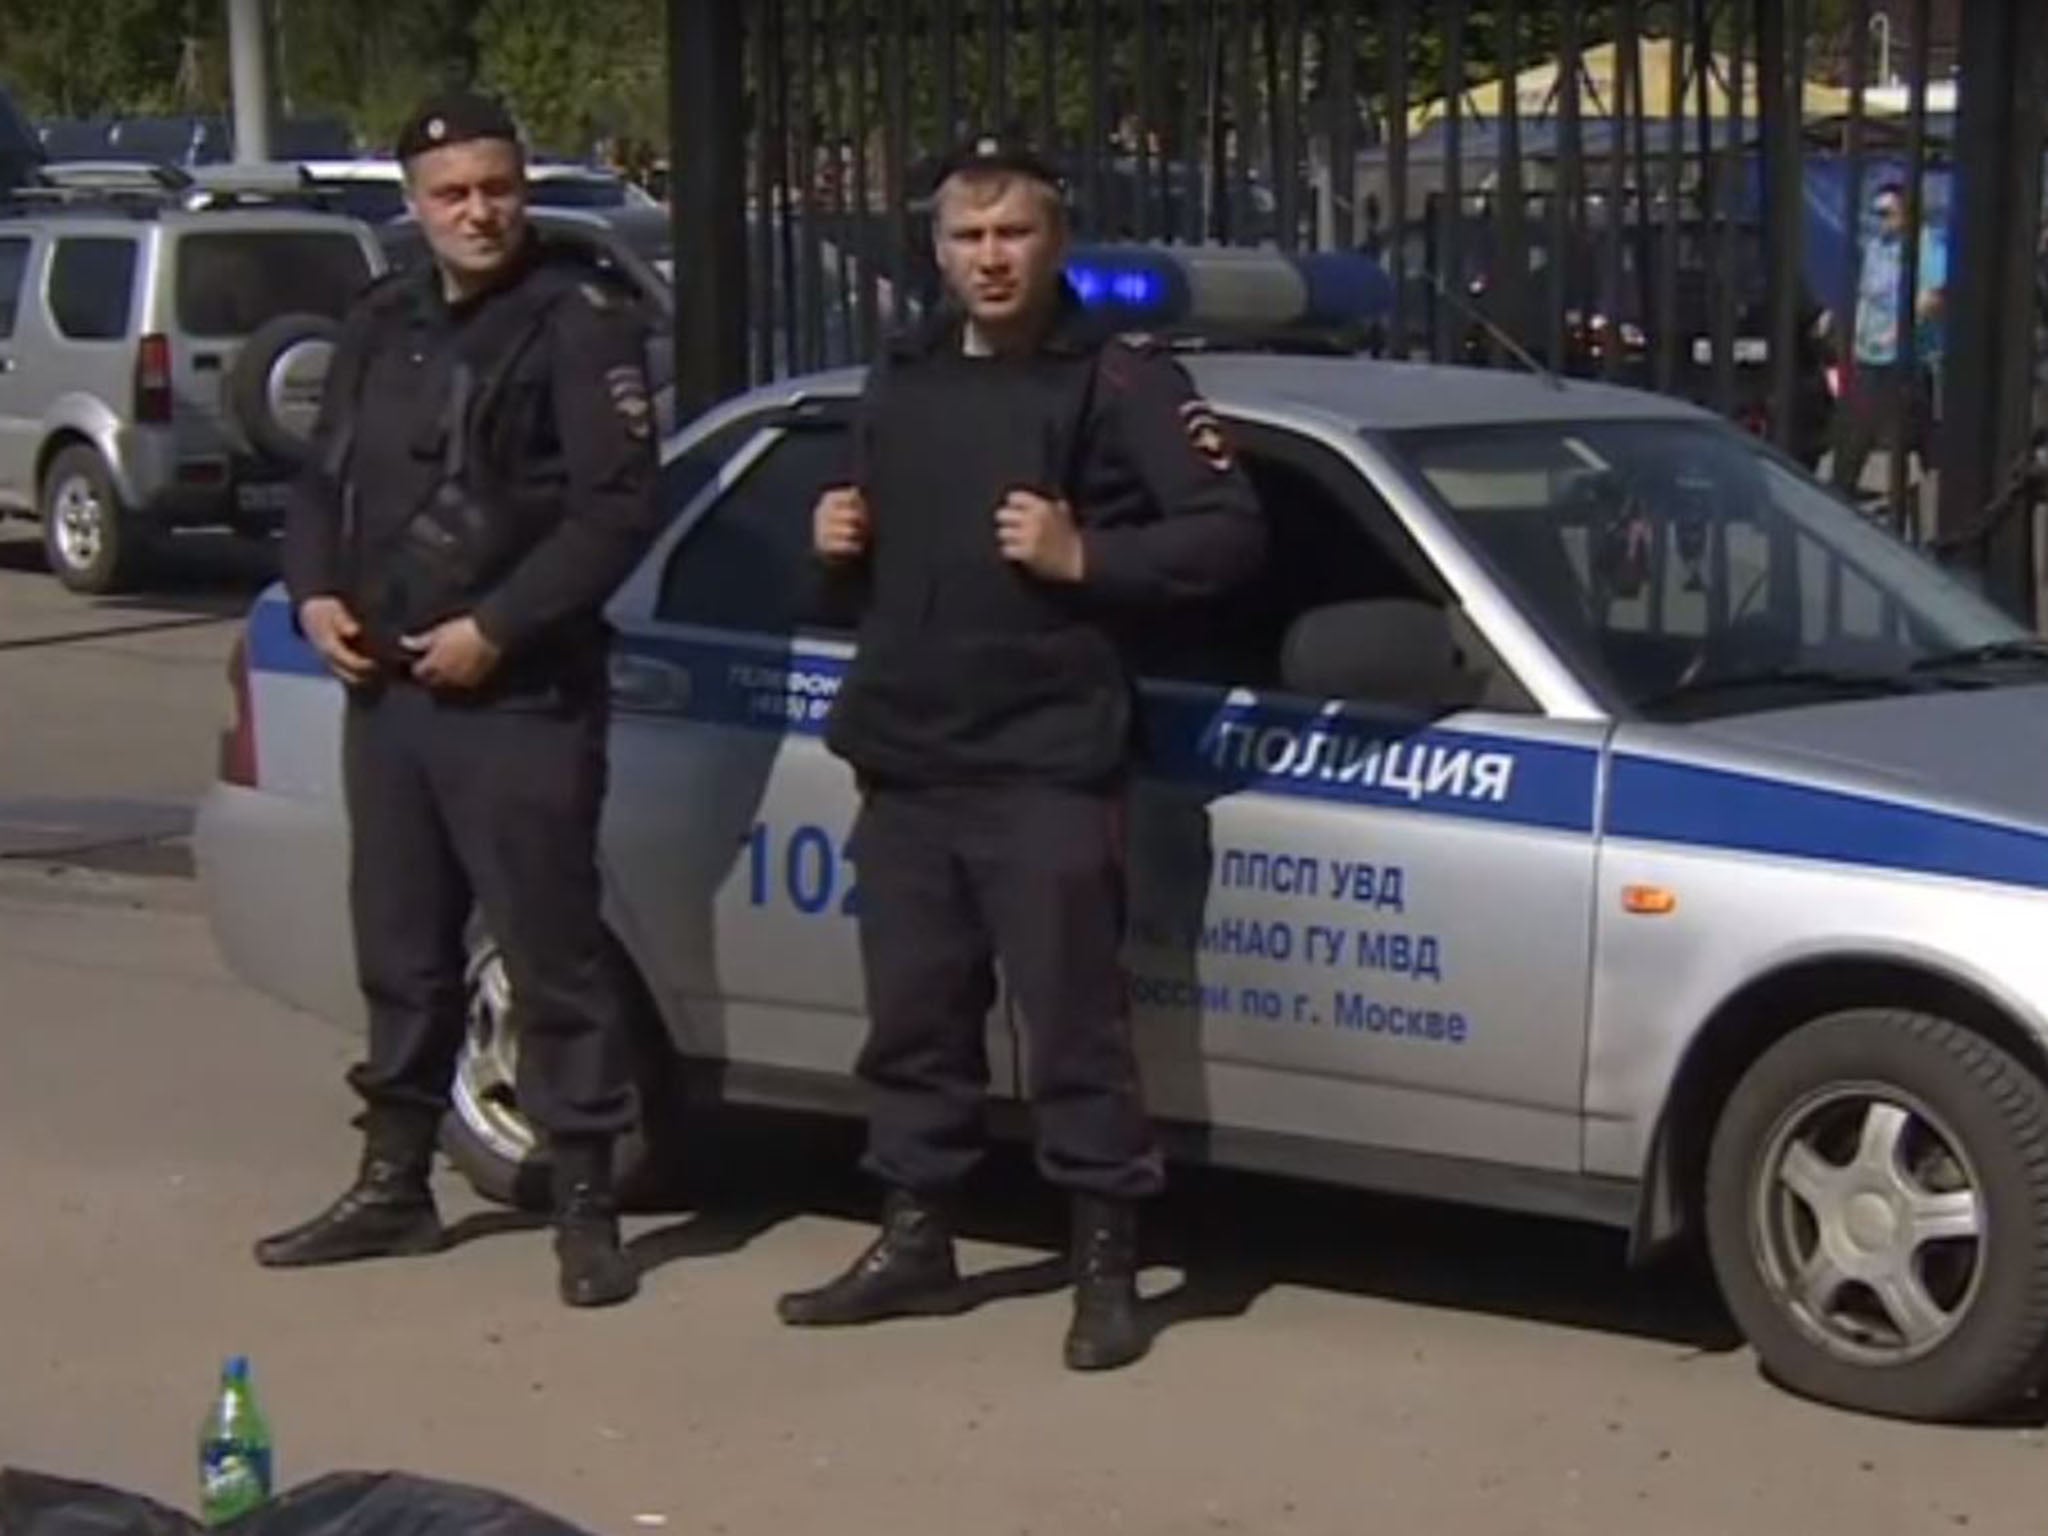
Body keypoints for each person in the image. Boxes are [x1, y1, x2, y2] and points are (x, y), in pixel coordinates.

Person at [775, 134, 1266, 1371]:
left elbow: (1225, 538)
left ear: (1056, 244)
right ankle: (915, 1239)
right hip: (908, 754)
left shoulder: (1120, 382)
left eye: (1013, 234)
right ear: (934, 250)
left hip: (1045, 759)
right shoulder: (899, 381)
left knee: (1071, 1028)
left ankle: (1105, 1264)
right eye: (966, 236)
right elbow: (864, 585)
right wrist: (831, 544)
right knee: (914, 1020)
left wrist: (1086, 558)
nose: (989, 259)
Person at [256, 90, 665, 1309]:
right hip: (390, 692)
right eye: (452, 194)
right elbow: (323, 477)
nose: (478, 212)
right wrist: (313, 591)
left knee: (549, 954)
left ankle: (584, 1201)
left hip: (518, 696)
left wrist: (500, 626)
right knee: (401, 946)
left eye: (496, 189)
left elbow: (615, 511)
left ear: (521, 190)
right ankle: (393, 1184)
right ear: (415, 203)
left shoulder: (579, 323)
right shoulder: (382, 320)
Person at [1831, 180, 1946, 497]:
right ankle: (1841, 489)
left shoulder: (1927, 247)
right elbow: (1865, 292)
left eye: (1887, 213)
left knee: (1920, 428)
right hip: (1869, 351)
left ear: (1908, 214)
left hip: (1907, 356)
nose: (1880, 220)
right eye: (1877, 213)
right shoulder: (1875, 246)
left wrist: (1906, 324)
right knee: (1856, 424)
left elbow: (1936, 296)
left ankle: (1940, 486)